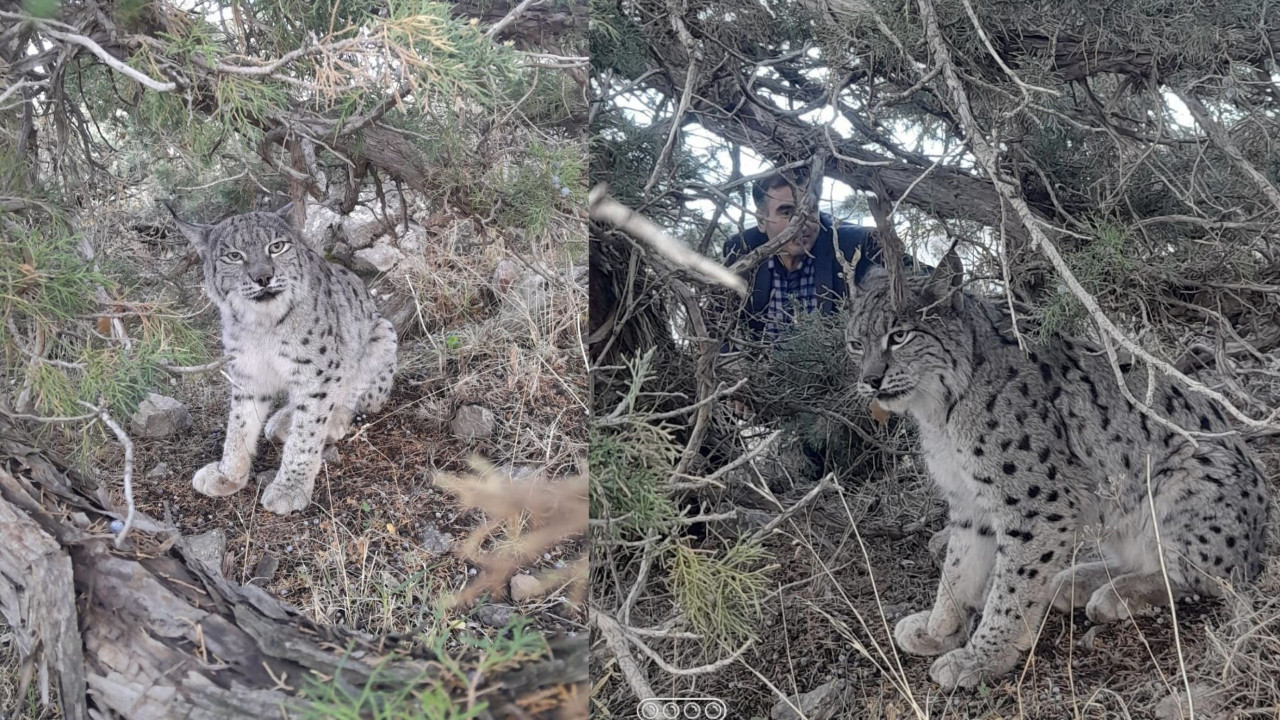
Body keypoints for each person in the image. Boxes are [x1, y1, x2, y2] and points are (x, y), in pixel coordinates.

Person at [723, 171, 894, 339]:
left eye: (810, 209)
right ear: (761, 220)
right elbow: (721, 327)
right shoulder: (741, 251)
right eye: (787, 213)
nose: (801, 224)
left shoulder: (858, 245)